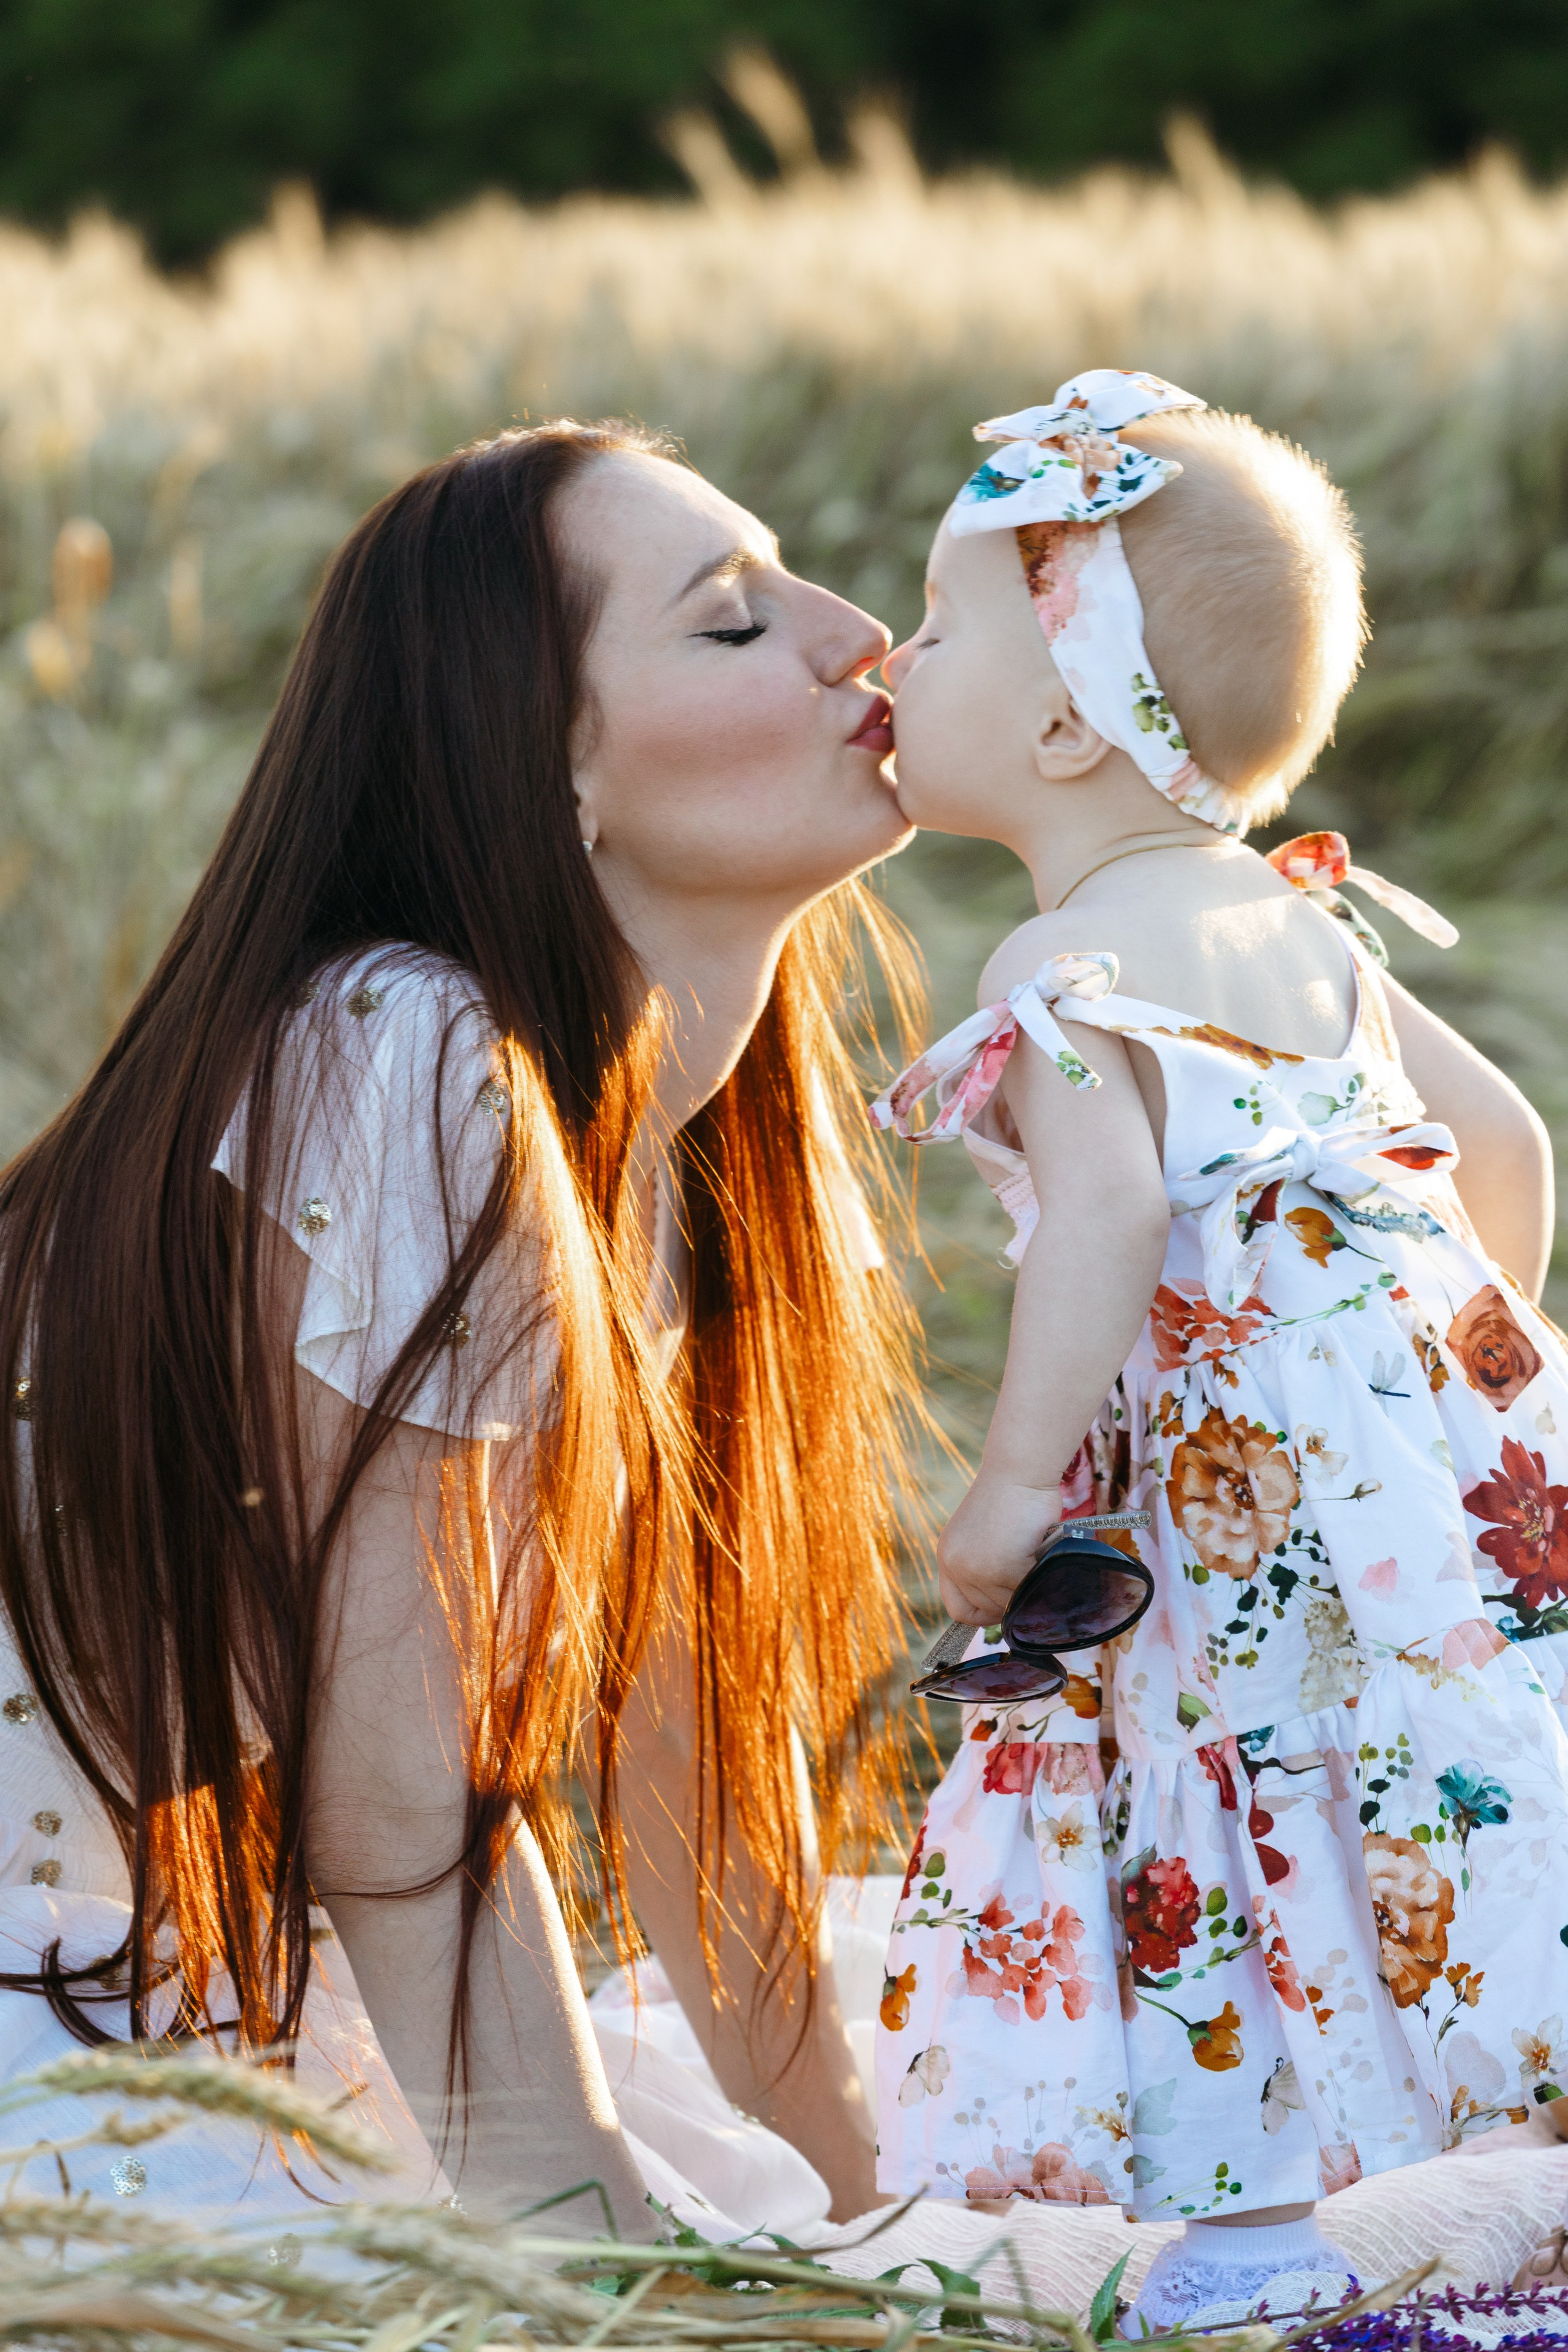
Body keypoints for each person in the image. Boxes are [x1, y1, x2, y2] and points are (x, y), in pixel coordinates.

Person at [0, 418, 924, 2234]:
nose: (858, 637)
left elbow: (702, 1787)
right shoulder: (404, 1047)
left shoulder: (699, 1148)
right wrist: (572, 2241)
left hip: (178, 1967)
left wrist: (877, 2221)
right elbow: (397, 1752)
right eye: (734, 626)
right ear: (550, 764)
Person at [868, 369, 1568, 2331]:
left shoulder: (1057, 963)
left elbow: (1096, 1219)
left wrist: (1010, 1493)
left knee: (1232, 1802)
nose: (895, 663)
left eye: (934, 632)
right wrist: (1423, 1397)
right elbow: (1500, 1149)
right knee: (1399, 1792)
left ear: (1068, 716)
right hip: (1385, 1507)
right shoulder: (1303, 924)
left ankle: (1258, 2230)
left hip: (1219, 1532)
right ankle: (1468, 2175)